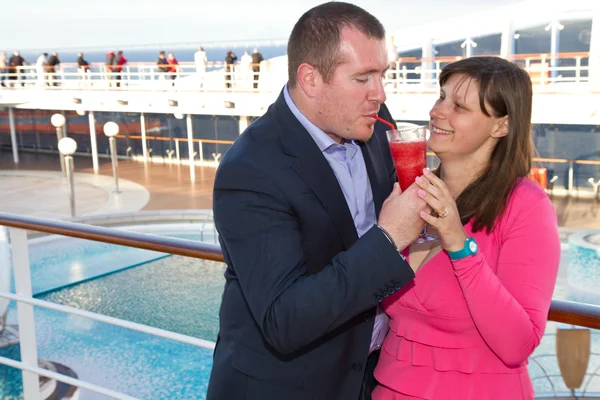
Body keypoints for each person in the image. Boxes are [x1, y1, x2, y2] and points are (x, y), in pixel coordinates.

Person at [207, 2, 429, 400]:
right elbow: (284, 319)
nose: (379, 93)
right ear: (310, 79)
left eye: (382, 75)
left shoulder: (373, 124)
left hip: (368, 381)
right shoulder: (251, 169)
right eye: (363, 78)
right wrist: (391, 234)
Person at [372, 56, 561, 399]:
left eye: (458, 105)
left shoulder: (524, 206)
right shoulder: (409, 195)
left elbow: (518, 344)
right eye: (441, 96)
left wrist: (459, 246)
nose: (437, 111)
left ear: (501, 126)